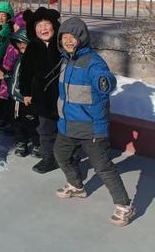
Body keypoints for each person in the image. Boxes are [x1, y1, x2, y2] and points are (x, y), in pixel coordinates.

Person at [54, 17, 135, 227]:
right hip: (67, 124)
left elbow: (105, 78)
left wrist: (104, 81)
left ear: (81, 38)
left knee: (103, 168)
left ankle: (124, 205)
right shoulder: (66, 60)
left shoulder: (93, 61)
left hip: (90, 127)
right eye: (64, 37)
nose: (68, 41)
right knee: (60, 154)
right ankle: (76, 186)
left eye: (72, 37)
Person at [20, 7, 62, 174]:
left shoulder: (61, 44)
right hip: (42, 96)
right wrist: (26, 93)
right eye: (39, 26)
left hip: (62, 94)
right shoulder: (33, 47)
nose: (44, 28)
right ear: (33, 30)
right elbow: (25, 72)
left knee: (64, 128)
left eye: (47, 24)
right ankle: (48, 158)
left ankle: (66, 156)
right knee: (45, 129)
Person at [3, 28, 40, 157]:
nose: (22, 49)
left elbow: (35, 80)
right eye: (20, 47)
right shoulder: (20, 57)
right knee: (17, 123)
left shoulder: (35, 60)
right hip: (16, 98)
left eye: (24, 46)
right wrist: (8, 76)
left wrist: (29, 94)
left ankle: (37, 144)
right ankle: (21, 142)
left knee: (32, 124)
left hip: (27, 99)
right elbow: (16, 74)